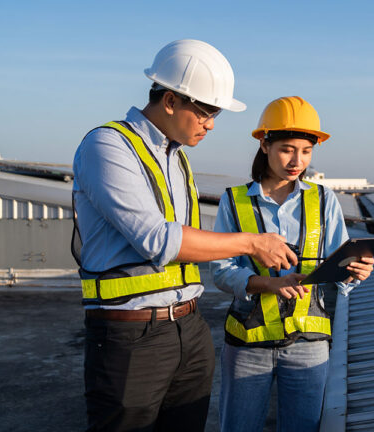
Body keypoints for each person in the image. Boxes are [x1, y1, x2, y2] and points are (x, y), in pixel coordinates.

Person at [71, 40, 298, 432]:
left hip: (188, 330)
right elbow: (159, 240)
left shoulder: (177, 159)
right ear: (172, 100)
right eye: (206, 112)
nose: (211, 124)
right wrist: (252, 242)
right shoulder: (108, 145)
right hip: (131, 333)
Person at [211, 96, 374, 432]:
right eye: (287, 149)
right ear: (264, 143)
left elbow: (339, 270)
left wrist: (357, 271)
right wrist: (268, 284)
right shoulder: (235, 200)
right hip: (247, 343)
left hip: (310, 345)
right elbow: (222, 271)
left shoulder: (324, 199)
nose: (296, 160)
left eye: (306, 151)